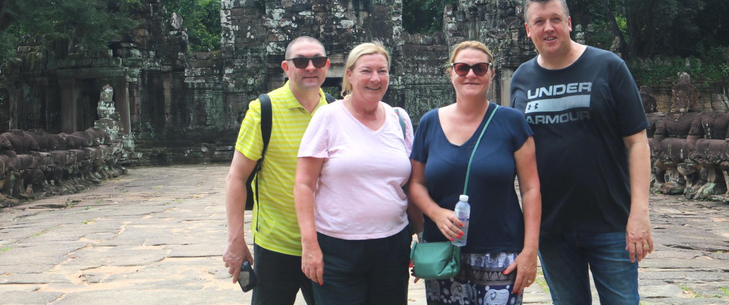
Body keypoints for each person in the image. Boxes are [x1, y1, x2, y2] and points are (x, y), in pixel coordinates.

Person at [510, 0, 653, 305]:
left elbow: (637, 143)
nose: (548, 28)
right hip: (552, 228)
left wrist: (639, 214)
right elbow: (517, 153)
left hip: (611, 224)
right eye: (540, 21)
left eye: (556, 19)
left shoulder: (608, 66)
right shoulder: (521, 79)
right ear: (528, 30)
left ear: (569, 23)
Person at [407, 40, 541, 305]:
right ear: (450, 73)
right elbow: (415, 184)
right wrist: (436, 214)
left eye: (480, 68)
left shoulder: (512, 121)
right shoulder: (429, 122)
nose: (470, 74)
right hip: (443, 252)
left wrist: (530, 250)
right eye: (462, 68)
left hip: (500, 252)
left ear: (492, 73)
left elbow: (531, 188)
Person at [295, 42, 421, 305]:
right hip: (337, 247)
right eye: (366, 71)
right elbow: (304, 185)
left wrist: (422, 235)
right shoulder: (328, 117)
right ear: (349, 75)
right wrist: (309, 245)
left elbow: (411, 184)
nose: (375, 78)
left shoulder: (400, 118)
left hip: (392, 244)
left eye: (382, 71)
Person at [223, 36, 331, 305]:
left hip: (325, 244)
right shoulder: (264, 110)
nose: (310, 67)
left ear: (327, 66)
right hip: (276, 244)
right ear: (286, 67)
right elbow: (237, 178)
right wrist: (236, 240)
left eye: (317, 61)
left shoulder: (334, 110)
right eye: (300, 61)